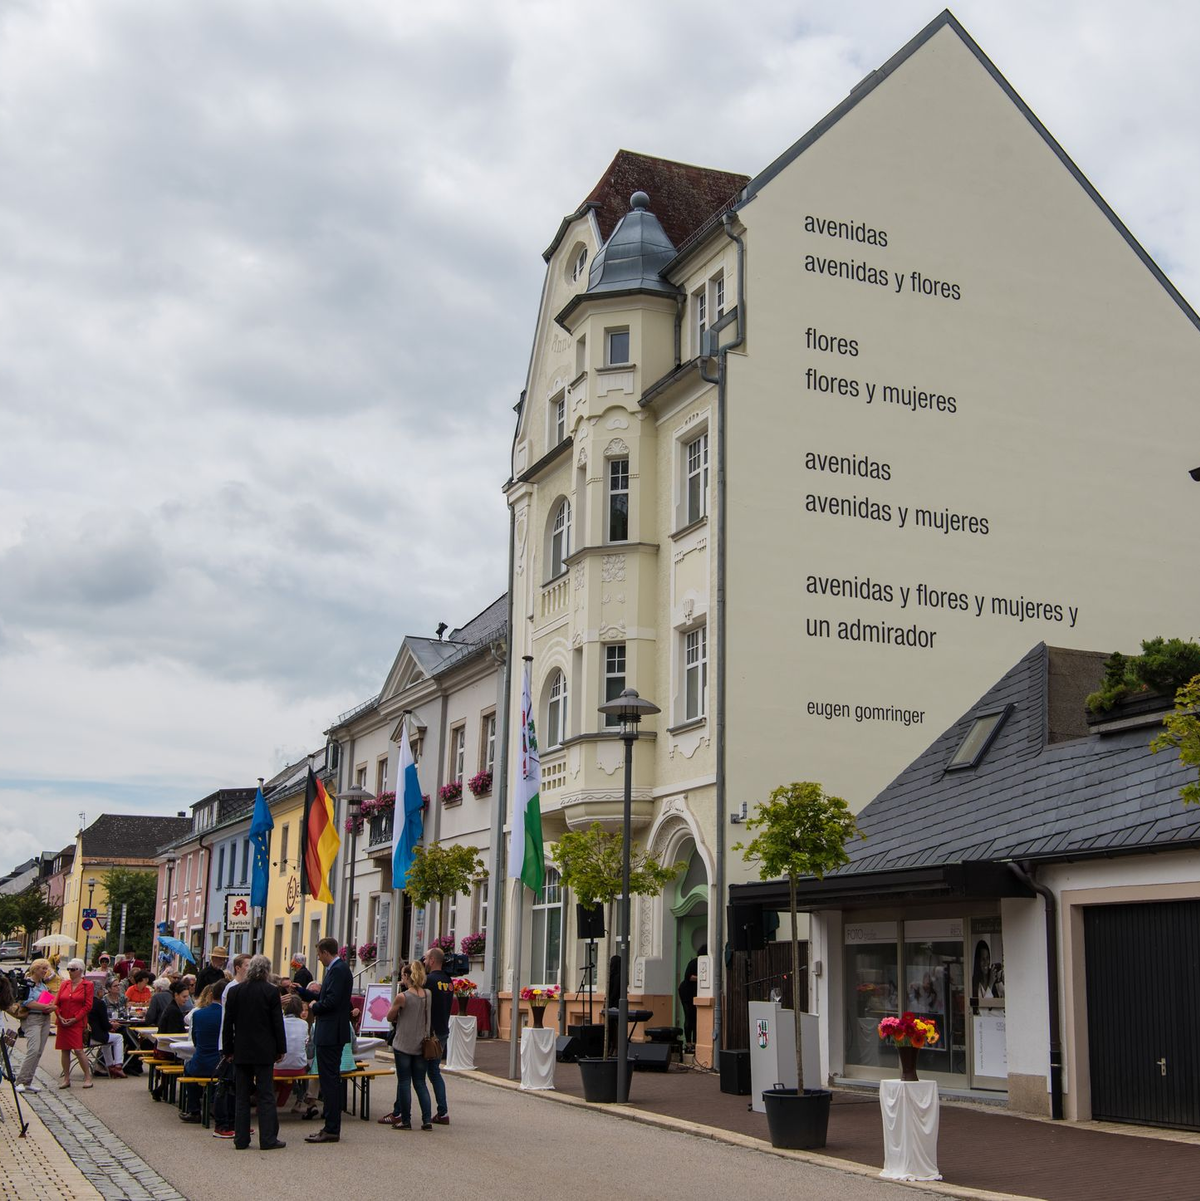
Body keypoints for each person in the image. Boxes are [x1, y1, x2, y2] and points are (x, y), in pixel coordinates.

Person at [221, 954, 287, 1151]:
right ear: (266, 971)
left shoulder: (236, 991)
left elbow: (228, 1024)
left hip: (241, 1049)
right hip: (264, 1050)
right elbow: (277, 1023)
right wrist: (281, 1049)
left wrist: (227, 1049)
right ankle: (267, 1139)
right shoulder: (271, 991)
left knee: (242, 1095)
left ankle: (241, 1139)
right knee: (265, 1095)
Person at [294, 936, 352, 1143]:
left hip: (331, 1031)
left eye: (319, 954)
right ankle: (329, 1126)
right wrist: (302, 992)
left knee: (329, 1081)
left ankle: (331, 1128)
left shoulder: (338, 970)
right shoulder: (336, 970)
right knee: (329, 1080)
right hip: (331, 1031)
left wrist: (314, 1007)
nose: (318, 958)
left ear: (326, 952)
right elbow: (325, 996)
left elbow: (332, 1001)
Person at [385, 960, 433, 1131]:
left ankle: (406, 1120)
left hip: (404, 1043)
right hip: (422, 1044)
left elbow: (390, 1017)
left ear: (407, 977)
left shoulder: (402, 996)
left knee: (404, 1082)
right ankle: (427, 1119)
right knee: (420, 1082)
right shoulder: (428, 994)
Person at [212, 952, 251, 1139]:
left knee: (238, 1084)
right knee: (226, 1084)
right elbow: (230, 1019)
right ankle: (221, 1123)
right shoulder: (231, 988)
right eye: (247, 965)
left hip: (241, 1043)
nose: (250, 969)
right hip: (230, 1042)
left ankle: (237, 1122)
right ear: (238, 968)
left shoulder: (245, 987)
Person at [180, 979, 226, 1123]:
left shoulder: (198, 1014)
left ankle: (194, 1109)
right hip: (221, 1065)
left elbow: (195, 1041)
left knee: (188, 1068)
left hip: (201, 1063)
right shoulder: (228, 1015)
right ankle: (213, 1102)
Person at [13, 958, 57, 1093]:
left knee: (38, 1052)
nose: (45, 971)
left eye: (46, 968)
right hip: (33, 1018)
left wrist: (51, 1006)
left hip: (44, 1019)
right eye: (43, 968)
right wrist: (45, 1006)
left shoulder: (42, 985)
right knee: (33, 1049)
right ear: (35, 969)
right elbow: (27, 1002)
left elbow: (48, 998)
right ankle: (20, 1081)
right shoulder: (28, 984)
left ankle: (28, 1081)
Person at [421, 945, 452, 1125]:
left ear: (432, 960)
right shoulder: (448, 981)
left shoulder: (429, 980)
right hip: (442, 1031)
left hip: (428, 1032)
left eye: (425, 958)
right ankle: (443, 1111)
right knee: (435, 1072)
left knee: (419, 1073)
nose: (423, 961)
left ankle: (421, 1113)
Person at [54, 959, 94, 1088]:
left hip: (76, 1022)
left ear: (80, 971)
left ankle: (87, 1077)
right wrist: (59, 1016)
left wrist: (75, 1018)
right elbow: (56, 1003)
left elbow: (88, 1006)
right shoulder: (64, 984)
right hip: (63, 1021)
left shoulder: (87, 985)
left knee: (78, 1049)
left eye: (73, 969)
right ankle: (66, 1078)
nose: (70, 972)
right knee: (64, 1050)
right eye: (69, 969)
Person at [275, 994, 309, 1107]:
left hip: (278, 1067)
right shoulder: (304, 1024)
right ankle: (282, 1101)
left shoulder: (278, 1022)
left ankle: (273, 1102)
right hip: (299, 1067)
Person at [93, 977, 128, 1078]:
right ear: (99, 991)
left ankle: (110, 1067)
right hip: (97, 1035)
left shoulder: (89, 1002)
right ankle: (118, 1066)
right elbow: (105, 1024)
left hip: (89, 1035)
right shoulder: (101, 1003)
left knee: (109, 1038)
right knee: (118, 1038)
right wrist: (112, 1026)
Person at [677, 944, 705, 1052]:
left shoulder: (703, 963)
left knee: (696, 1018)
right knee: (689, 1017)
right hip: (687, 992)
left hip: (695, 993)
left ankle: (695, 1041)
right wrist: (701, 978)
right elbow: (688, 976)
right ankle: (688, 1043)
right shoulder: (694, 963)